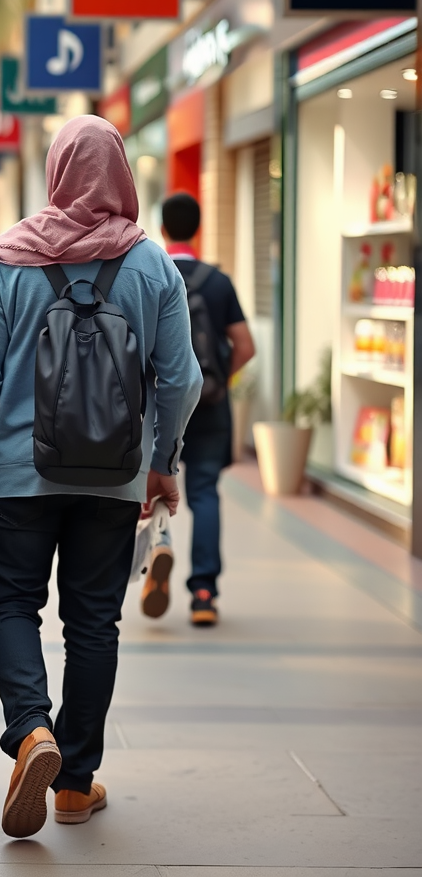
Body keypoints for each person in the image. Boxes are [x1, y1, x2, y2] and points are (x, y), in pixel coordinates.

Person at [0, 116, 202, 839]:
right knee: (94, 622)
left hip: (16, 479)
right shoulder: (152, 266)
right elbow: (182, 380)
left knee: (11, 608)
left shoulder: (5, 263)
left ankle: (32, 732)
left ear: (57, 171)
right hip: (114, 480)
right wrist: (162, 463)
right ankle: (76, 784)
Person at [156, 192, 255, 627]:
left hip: (159, 409)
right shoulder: (217, 282)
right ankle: (203, 592)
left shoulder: (150, 274)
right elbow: (246, 346)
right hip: (210, 408)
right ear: (197, 228)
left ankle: (153, 556)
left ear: (162, 229)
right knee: (203, 494)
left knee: (153, 491)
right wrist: (214, 384)